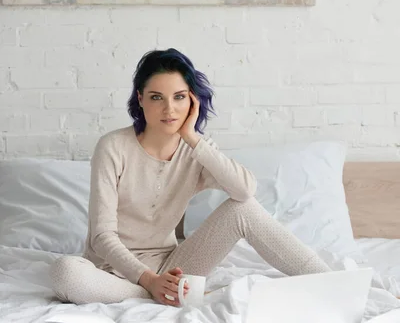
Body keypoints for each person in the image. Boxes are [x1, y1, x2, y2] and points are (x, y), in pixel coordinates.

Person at [50, 48, 330, 305]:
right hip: (112, 272)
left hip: (175, 267)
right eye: (156, 97)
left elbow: (244, 191)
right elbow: (101, 236)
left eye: (179, 97)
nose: (169, 109)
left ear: (192, 101)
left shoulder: (196, 150)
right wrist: (151, 281)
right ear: (140, 99)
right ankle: (151, 294)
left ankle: (330, 281)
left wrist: (192, 137)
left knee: (242, 208)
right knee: (66, 273)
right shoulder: (113, 147)